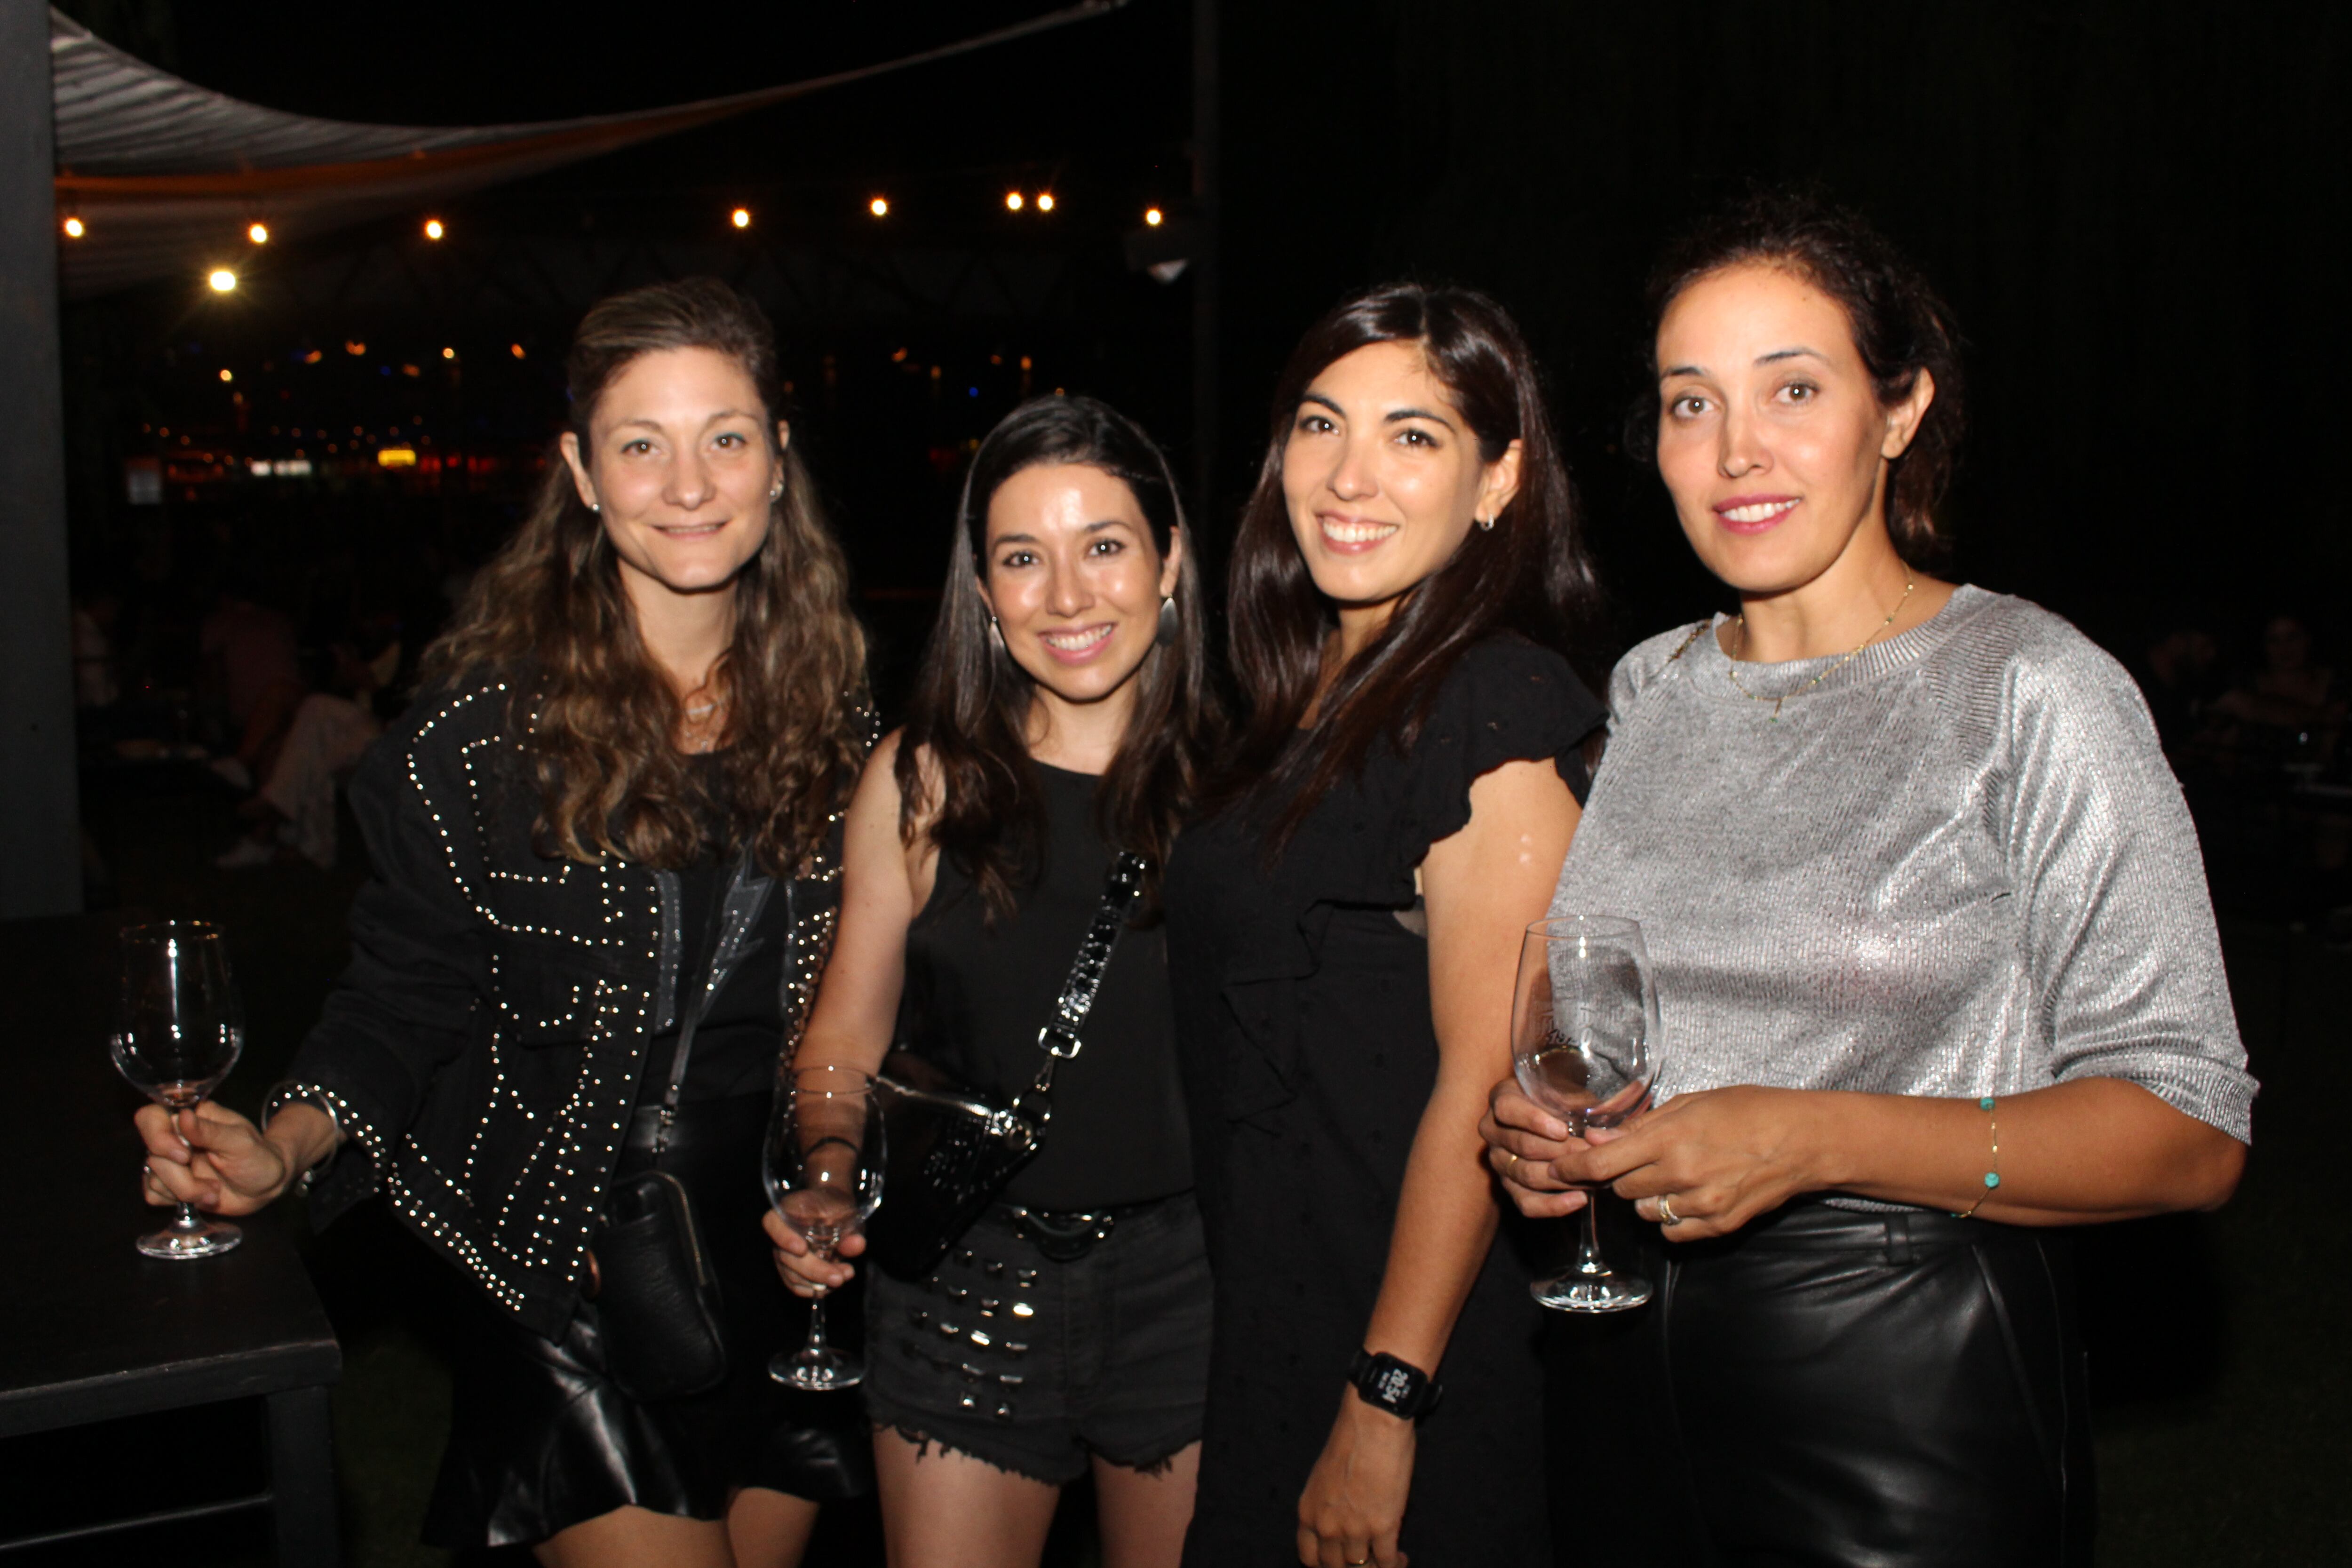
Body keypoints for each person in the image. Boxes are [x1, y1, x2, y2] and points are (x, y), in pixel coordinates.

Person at [1481, 190, 2257, 1568]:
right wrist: (1541, 1131)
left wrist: (1819, 1134)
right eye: (1689, 402)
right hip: (1615, 1390)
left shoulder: (2031, 689)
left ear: (1897, 412)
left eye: (1795, 386)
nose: (1737, 450)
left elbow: (2190, 1128)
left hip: (1906, 1399)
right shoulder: (1651, 686)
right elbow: (1597, 1016)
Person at [135, 279, 874, 1568]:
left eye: (727, 436)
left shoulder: (847, 732)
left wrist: (833, 1177)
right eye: (642, 444)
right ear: (582, 474)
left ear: (779, 459)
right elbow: (400, 997)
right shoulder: (471, 753)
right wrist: (288, 1143)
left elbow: (859, 1005)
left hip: (778, 1264)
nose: (689, 482)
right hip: (572, 1263)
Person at [1162, 283, 1608, 1568]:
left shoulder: (1494, 706)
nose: (1350, 474)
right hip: (1274, 1323)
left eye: (1413, 435)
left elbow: (1490, 1083)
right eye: (1320, 423)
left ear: (1497, 479)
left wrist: (1386, 1398)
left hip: (1404, 1353)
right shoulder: (1302, 704)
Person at [769, 395, 1224, 1568]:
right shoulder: (923, 781)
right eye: (1024, 558)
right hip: (964, 1278)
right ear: (981, 588)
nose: (1067, 596)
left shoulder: (1248, 778)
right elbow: (843, 1038)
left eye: (1104, 547)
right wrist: (826, 1172)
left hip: (1198, 1285)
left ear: (1169, 560)